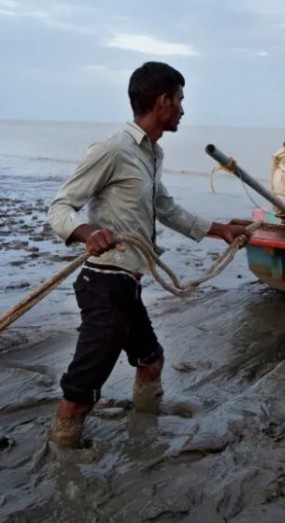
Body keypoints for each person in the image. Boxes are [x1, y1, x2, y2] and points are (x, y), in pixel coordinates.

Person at [46, 62, 250, 448]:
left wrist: (219, 230)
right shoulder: (112, 150)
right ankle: (63, 454)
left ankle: (146, 429)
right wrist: (87, 231)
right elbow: (60, 208)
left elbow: (166, 208)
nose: (183, 109)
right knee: (81, 393)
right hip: (104, 286)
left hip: (128, 286)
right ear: (163, 102)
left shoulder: (152, 155)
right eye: (180, 100)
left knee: (151, 360)